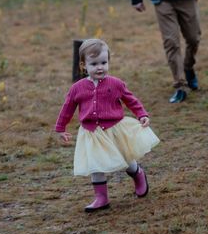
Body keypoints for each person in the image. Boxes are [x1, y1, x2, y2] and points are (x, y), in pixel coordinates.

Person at [55, 39, 160, 212]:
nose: (100, 67)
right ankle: (101, 198)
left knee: (126, 159)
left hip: (115, 129)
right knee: (96, 164)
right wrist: (61, 128)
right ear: (83, 65)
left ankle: (138, 174)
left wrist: (142, 114)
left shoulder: (116, 83)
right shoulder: (77, 88)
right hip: (92, 132)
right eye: (94, 64)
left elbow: (131, 100)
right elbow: (67, 108)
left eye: (104, 62)